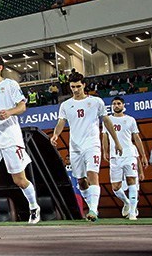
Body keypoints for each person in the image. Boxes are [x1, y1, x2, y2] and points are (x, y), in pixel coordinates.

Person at [0, 53, 41, 228]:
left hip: (11, 135)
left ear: (0, 67)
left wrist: (8, 112)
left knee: (19, 180)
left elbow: (22, 106)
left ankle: (34, 207)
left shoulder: (10, 84)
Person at [50, 71, 122, 221]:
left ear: (83, 85)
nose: (75, 89)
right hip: (75, 146)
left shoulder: (96, 102)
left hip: (92, 144)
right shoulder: (66, 105)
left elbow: (107, 121)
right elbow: (61, 122)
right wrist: (56, 134)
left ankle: (93, 210)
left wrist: (116, 141)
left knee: (92, 174)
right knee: (81, 181)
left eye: (77, 86)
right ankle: (91, 207)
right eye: (72, 87)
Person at [102, 96, 147, 220]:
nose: (116, 106)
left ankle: (133, 212)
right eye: (114, 104)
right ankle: (127, 202)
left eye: (118, 103)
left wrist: (143, 155)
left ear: (123, 105)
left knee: (132, 181)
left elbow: (136, 138)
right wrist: (105, 151)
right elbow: (105, 137)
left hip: (129, 155)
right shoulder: (107, 120)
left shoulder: (130, 120)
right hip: (114, 156)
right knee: (116, 187)